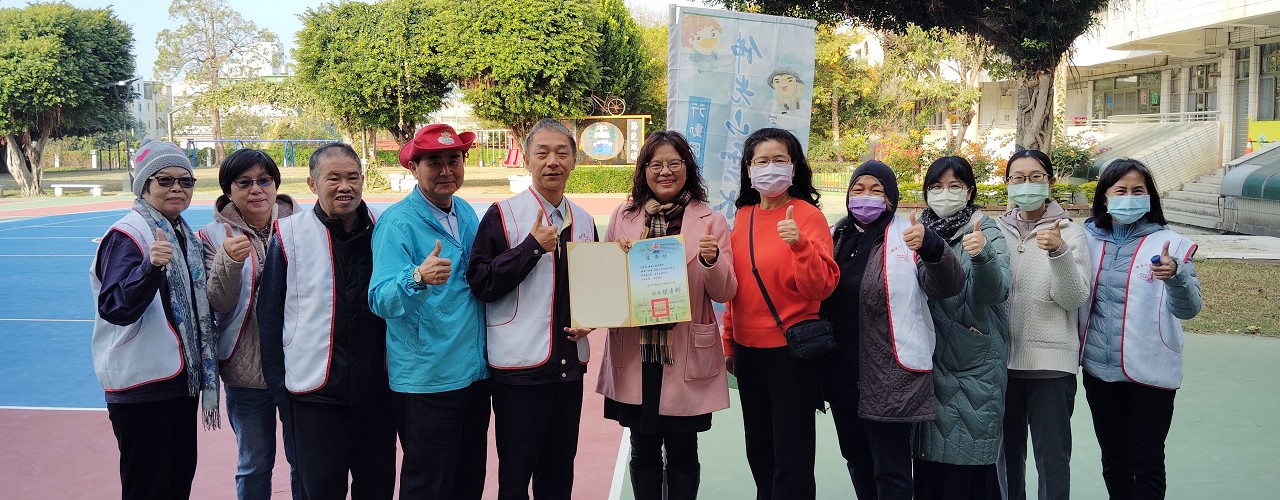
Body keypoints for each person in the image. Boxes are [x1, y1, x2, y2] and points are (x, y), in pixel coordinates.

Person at [596, 131, 737, 499]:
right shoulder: (624, 217)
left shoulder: (711, 221)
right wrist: (619, 259)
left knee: (683, 452)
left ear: (687, 169)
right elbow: (606, 287)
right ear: (643, 170)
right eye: (656, 164)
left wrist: (711, 260)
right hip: (637, 353)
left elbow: (724, 292)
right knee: (641, 450)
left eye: (675, 163)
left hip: (683, 350)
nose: (665, 171)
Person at [467, 118, 597, 500]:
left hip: (568, 367)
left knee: (558, 471)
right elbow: (481, 283)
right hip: (519, 369)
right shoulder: (502, 215)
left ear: (575, 160)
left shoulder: (585, 220)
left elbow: (590, 287)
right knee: (516, 474)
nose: (552, 162)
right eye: (542, 153)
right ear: (526, 159)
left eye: (562, 153)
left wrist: (593, 317)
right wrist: (532, 247)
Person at [819, 160, 964, 499]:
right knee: (856, 458)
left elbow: (948, 286)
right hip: (841, 373)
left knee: (892, 469)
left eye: (876, 190)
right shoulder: (834, 237)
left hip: (890, 377)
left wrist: (932, 248)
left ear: (891, 198)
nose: (865, 197)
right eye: (858, 189)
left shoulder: (908, 235)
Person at [258, 143, 394, 499]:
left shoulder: (385, 228)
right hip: (314, 394)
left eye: (352, 177)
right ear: (312, 183)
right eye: (333, 178)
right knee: (319, 488)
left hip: (377, 392)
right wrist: (280, 391)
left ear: (363, 180)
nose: (344, 186)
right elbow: (269, 318)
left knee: (377, 487)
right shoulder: (288, 235)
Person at [90, 140, 219, 499]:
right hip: (142, 383)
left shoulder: (183, 235)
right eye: (164, 180)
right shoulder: (130, 234)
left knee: (178, 480)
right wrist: (150, 268)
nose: (177, 187)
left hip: (179, 380)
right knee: (147, 486)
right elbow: (116, 307)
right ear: (145, 185)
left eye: (186, 181)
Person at [369, 124, 490, 499]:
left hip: (472, 375)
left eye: (453, 160)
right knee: (428, 485)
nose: (445, 170)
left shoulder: (466, 211)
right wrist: (417, 277)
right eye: (433, 162)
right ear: (414, 169)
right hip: (426, 379)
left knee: (468, 478)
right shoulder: (397, 224)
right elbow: (380, 299)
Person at [721, 127, 838, 500]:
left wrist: (800, 245)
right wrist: (729, 341)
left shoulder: (807, 216)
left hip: (791, 353)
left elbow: (820, 288)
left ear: (794, 167)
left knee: (792, 454)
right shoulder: (742, 217)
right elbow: (735, 288)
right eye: (761, 161)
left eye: (779, 160)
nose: (770, 168)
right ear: (749, 169)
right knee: (759, 447)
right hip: (748, 350)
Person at [1080, 158, 1202, 500]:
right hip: (1099, 372)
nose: (1129, 197)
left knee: (1146, 463)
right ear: (1105, 197)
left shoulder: (1171, 245)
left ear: (1150, 198)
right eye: (1121, 190)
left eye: (1138, 190)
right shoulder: (1086, 240)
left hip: (1150, 375)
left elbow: (1189, 309)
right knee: (1114, 462)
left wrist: (1176, 275)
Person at [197, 148, 303, 500]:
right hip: (246, 371)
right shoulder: (212, 237)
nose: (256, 189)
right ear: (229, 190)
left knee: (304, 459)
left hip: (299, 366)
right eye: (244, 182)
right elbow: (219, 303)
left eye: (264, 180)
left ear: (275, 185)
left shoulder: (303, 226)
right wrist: (229, 260)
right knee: (255, 464)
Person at [910, 156, 1011, 500]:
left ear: (969, 192)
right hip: (925, 362)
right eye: (936, 187)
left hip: (972, 364)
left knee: (965, 468)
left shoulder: (985, 230)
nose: (944, 193)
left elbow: (995, 292)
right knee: (926, 465)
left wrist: (982, 256)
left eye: (955, 186)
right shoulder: (914, 233)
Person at [994, 149, 1091, 500]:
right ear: (1007, 183)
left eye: (1036, 177)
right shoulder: (996, 230)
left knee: (1052, 461)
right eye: (1018, 178)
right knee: (1006, 461)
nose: (1026, 184)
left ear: (1049, 182)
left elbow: (1072, 298)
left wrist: (1058, 253)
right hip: (1002, 365)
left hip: (1050, 368)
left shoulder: (1070, 233)